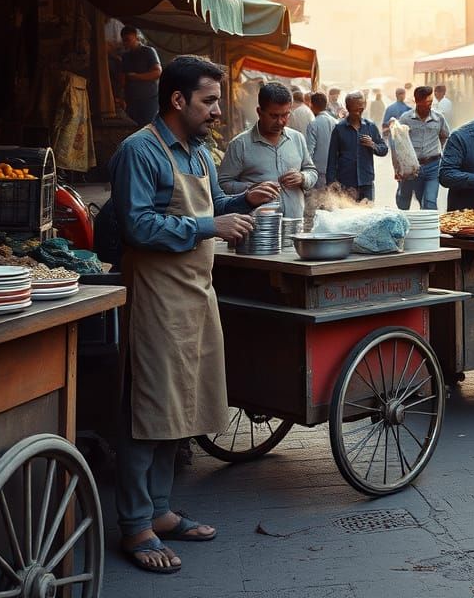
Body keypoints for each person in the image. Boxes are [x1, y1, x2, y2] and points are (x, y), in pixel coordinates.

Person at [108, 56, 280, 574]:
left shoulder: (201, 152)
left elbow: (210, 204)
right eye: (209, 101)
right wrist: (212, 227)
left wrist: (242, 200)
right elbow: (137, 225)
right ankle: (135, 525)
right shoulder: (139, 151)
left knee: (179, 408)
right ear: (178, 100)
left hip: (196, 294)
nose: (217, 111)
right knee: (148, 411)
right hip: (156, 298)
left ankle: (160, 511)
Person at [218, 82, 317, 220]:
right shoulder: (240, 144)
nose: (280, 122)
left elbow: (311, 171)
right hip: (257, 230)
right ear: (259, 112)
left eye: (285, 115)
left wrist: (303, 178)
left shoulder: (297, 138)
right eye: (274, 116)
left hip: (294, 226)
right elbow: (222, 184)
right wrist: (253, 188)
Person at [326, 90, 389, 201]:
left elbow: (384, 150)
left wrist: (373, 145)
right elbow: (332, 158)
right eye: (356, 110)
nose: (359, 112)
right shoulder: (339, 129)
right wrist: (331, 183)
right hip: (346, 184)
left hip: (366, 183)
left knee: (368, 216)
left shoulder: (370, 127)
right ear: (348, 107)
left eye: (361, 109)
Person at [396, 85, 450, 210]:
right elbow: (399, 144)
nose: (429, 105)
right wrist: (399, 168)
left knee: (430, 201)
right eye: (426, 102)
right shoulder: (406, 118)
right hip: (412, 167)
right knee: (405, 199)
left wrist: (445, 155)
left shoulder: (439, 118)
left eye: (431, 102)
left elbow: (445, 137)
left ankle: (430, 228)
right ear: (417, 101)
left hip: (433, 166)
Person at [119, 25, 162, 128]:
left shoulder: (148, 51)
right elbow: (123, 77)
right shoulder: (125, 56)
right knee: (133, 129)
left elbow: (157, 72)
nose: (126, 43)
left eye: (128, 39)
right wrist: (120, 96)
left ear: (136, 36)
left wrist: (137, 77)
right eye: (124, 40)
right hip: (131, 101)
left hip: (148, 100)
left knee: (149, 129)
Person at [305, 91, 337, 189]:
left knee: (318, 201)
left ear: (312, 105)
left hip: (318, 173)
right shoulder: (336, 122)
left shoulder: (313, 124)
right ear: (326, 104)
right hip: (335, 171)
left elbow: (309, 152)